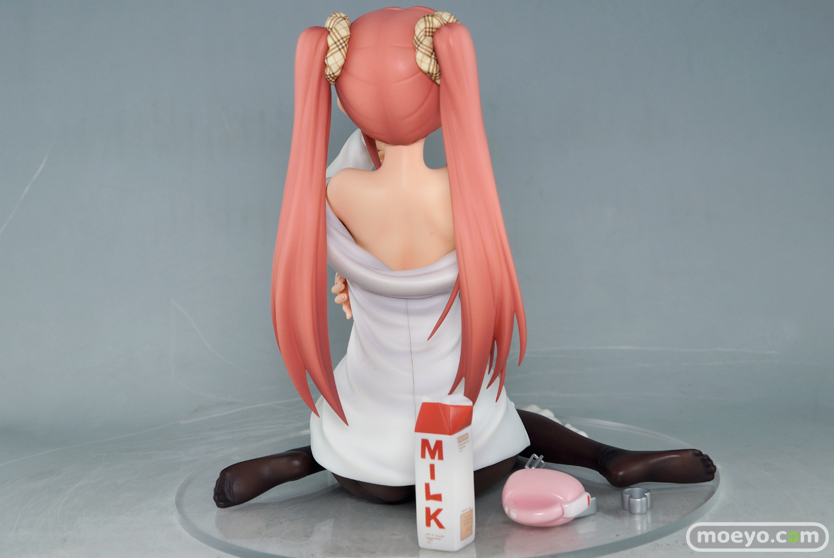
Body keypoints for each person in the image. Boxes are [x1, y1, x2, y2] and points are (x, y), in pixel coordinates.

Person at [214, 7, 715, 509]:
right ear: (448, 88)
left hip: (367, 474)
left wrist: (360, 278)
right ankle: (608, 458)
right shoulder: (463, 190)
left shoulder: (334, 193)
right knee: (510, 418)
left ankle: (300, 461)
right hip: (469, 460)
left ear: (345, 102)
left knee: (342, 426)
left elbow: (355, 164)